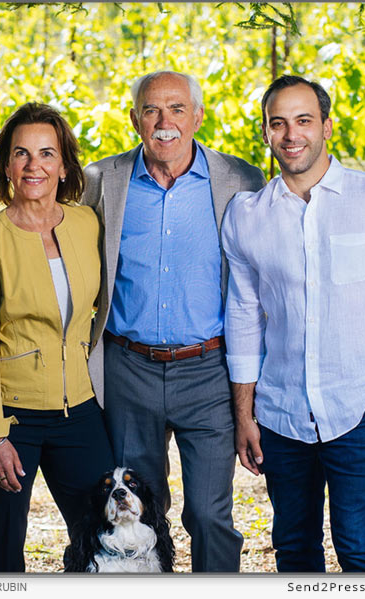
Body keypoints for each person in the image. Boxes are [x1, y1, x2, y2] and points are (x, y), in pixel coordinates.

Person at [222, 74, 365, 572]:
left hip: (360, 408)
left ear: (326, 127)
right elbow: (244, 317)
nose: (291, 134)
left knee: (358, 545)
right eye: (279, 123)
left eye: (303, 121)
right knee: (293, 548)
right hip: (280, 413)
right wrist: (245, 415)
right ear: (267, 133)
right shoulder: (246, 215)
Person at [83, 71, 265, 572]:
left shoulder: (242, 180)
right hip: (127, 369)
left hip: (208, 370)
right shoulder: (103, 181)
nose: (165, 122)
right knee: (138, 509)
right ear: (135, 118)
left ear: (198, 116)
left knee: (209, 514)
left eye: (177, 109)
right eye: (152, 110)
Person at [0, 102, 115, 573]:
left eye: (47, 153)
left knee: (100, 539)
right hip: (11, 417)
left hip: (79, 410)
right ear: (7, 165)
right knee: (5, 553)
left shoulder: (86, 224)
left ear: (64, 164)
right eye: (21, 154)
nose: (34, 165)